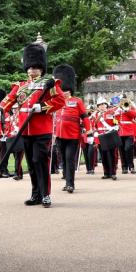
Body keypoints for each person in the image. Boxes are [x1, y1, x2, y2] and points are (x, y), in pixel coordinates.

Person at [0, 39, 65, 207]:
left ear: (41, 68)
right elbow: (9, 99)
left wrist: (42, 107)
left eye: (35, 67)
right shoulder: (20, 86)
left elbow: (60, 101)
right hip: (25, 131)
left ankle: (46, 194)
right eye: (30, 67)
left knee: (40, 160)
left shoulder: (49, 84)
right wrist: (0, 109)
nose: (32, 70)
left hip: (42, 130)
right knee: (31, 163)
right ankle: (36, 194)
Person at [51, 64, 92, 193]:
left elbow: (85, 117)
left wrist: (89, 131)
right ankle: (67, 181)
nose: (64, 91)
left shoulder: (77, 101)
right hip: (59, 135)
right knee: (63, 159)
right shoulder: (56, 101)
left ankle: (70, 184)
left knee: (69, 159)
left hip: (73, 135)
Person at [91, 97, 118, 180]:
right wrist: (95, 132)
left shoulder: (111, 112)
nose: (102, 106)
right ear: (98, 106)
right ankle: (106, 173)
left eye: (104, 104)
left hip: (109, 135)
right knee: (103, 156)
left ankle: (113, 173)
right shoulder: (95, 115)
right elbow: (93, 125)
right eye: (100, 105)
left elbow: (116, 122)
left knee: (112, 155)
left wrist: (116, 125)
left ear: (106, 105)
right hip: (101, 136)